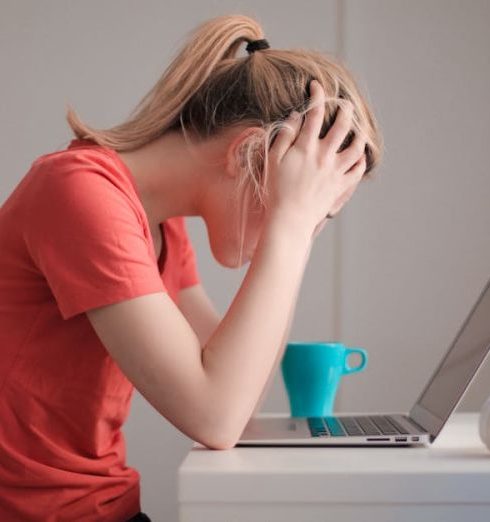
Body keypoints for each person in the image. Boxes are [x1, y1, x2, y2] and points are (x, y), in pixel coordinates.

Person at [0, 13, 383, 522]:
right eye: (309, 203)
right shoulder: (79, 194)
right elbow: (216, 416)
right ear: (247, 152)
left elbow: (239, 400)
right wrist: (289, 229)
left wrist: (294, 228)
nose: (306, 226)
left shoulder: (158, 227)